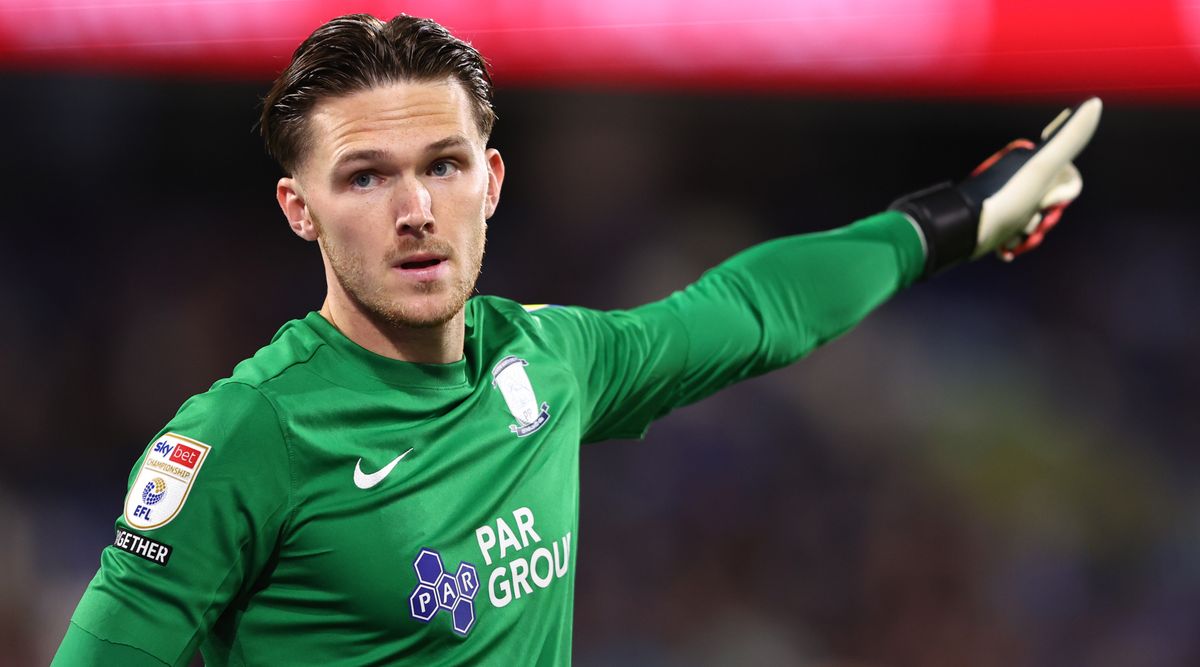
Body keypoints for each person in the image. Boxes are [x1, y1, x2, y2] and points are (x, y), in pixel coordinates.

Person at [52, 13, 1101, 667]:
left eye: (446, 165)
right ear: (300, 209)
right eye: (366, 176)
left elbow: (750, 312)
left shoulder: (549, 363)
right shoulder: (247, 434)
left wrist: (943, 222)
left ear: (491, 182)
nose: (416, 208)